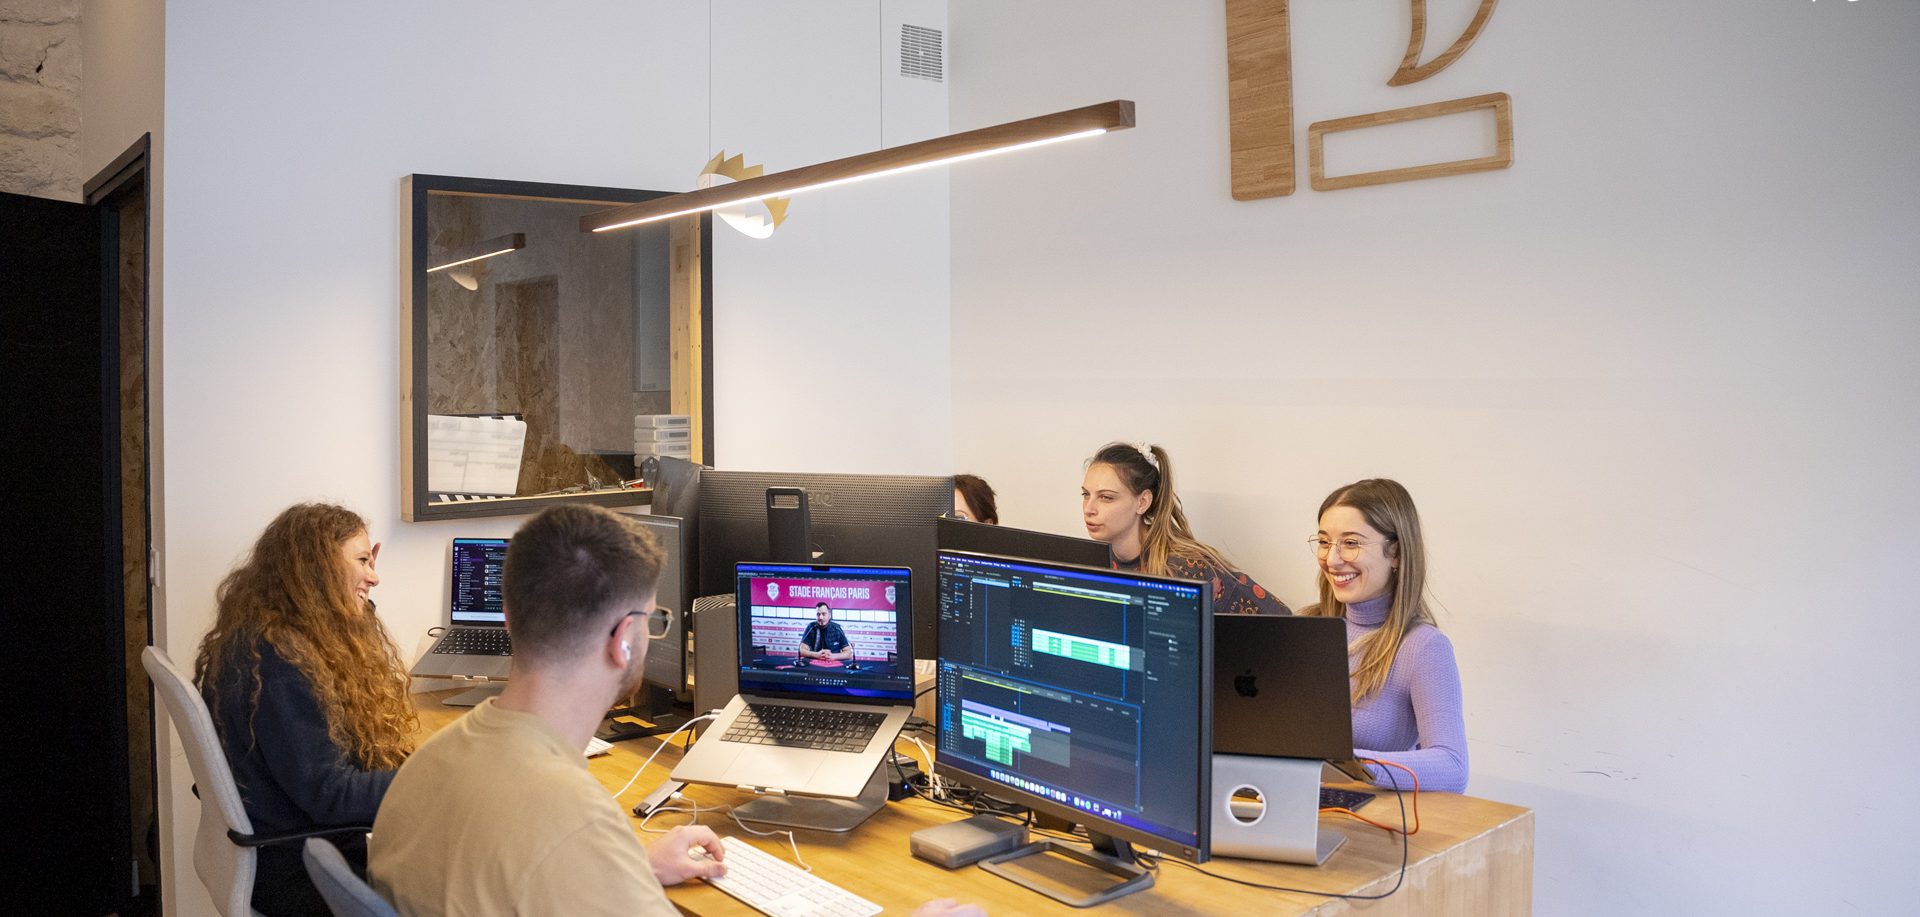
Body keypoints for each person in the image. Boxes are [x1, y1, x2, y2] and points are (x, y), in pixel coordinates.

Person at [370, 504, 984, 917]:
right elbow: (555, 848)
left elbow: (526, 871)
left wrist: (628, 869)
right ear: (626, 640)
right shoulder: (572, 820)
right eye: (653, 619)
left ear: (510, 617)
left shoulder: (430, 762)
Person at [194, 502, 416, 916]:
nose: (375, 575)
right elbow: (331, 795)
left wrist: (354, 595)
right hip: (299, 868)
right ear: (319, 569)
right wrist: (433, 773)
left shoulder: (270, 642)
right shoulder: (278, 663)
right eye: (363, 560)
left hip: (290, 845)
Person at [1302, 479, 1468, 793]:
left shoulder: (1423, 647)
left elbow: (1453, 766)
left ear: (1397, 553)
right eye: (1324, 542)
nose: (1332, 559)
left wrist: (1345, 766)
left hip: (1368, 819)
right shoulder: (1306, 626)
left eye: (1350, 543)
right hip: (1295, 804)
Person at [1080, 442, 1288, 615]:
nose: (1089, 509)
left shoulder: (1188, 568)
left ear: (1142, 502)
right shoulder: (1094, 561)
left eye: (1106, 498)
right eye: (1086, 495)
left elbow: (1283, 622)